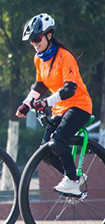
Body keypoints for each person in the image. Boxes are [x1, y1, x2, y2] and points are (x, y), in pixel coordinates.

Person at [15, 13, 93, 195]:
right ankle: (74, 176)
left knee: (58, 140)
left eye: (37, 38)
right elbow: (40, 85)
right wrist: (26, 104)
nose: (34, 43)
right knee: (46, 151)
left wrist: (46, 102)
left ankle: (72, 180)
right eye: (31, 41)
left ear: (48, 35)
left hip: (78, 106)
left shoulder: (65, 57)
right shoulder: (39, 59)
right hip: (60, 109)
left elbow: (70, 89)